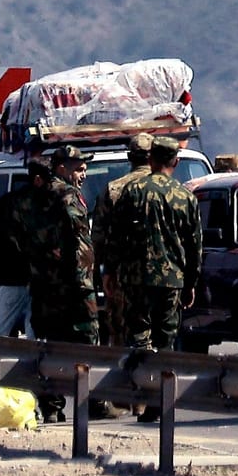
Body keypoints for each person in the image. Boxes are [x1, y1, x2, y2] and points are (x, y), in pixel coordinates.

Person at [111, 135, 203, 421]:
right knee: (165, 342)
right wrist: (191, 283)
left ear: (150, 159)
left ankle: (142, 396)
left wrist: (112, 272)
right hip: (171, 281)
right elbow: (194, 245)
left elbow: (117, 236)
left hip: (135, 278)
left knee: (139, 338)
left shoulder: (132, 191)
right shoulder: (184, 196)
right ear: (175, 161)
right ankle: (159, 401)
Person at [19, 147, 97, 422]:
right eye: (78, 168)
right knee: (86, 340)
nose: (83, 173)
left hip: (42, 284)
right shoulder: (67, 195)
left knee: (47, 344)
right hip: (71, 285)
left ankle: (51, 406)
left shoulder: (29, 199)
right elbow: (80, 242)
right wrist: (83, 280)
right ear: (61, 168)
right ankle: (92, 402)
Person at [91, 133, 154, 348]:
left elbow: (98, 236)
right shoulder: (168, 189)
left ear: (130, 157)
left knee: (120, 332)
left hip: (122, 275)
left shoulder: (114, 189)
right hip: (161, 276)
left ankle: (118, 380)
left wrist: (100, 273)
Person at [0, 169, 35, 338]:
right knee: (32, 333)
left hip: (13, 279)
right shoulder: (42, 204)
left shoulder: (7, 203)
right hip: (27, 279)